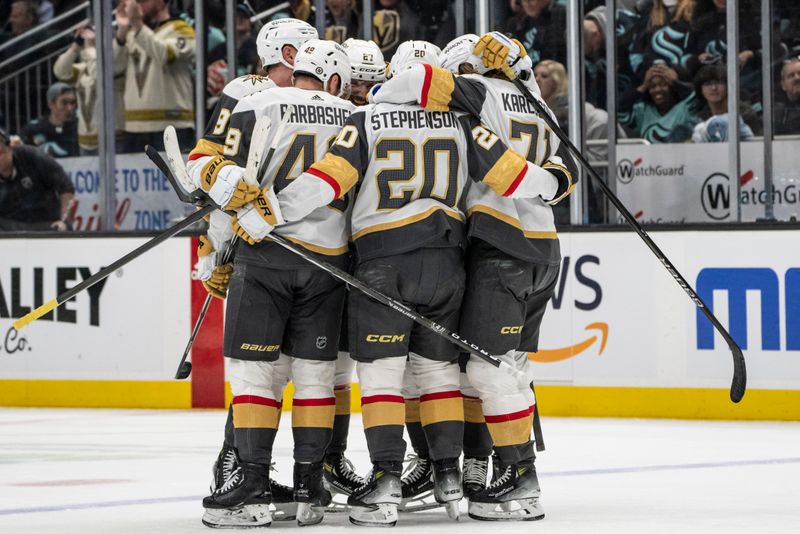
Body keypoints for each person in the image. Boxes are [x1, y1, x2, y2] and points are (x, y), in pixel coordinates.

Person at [262, 38, 568, 526]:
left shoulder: (386, 114)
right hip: (465, 260)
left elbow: (326, 181)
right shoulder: (482, 117)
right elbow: (515, 171)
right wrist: (550, 183)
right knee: (448, 373)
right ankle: (451, 472)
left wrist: (269, 211)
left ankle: (388, 480)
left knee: (390, 376)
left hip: (392, 259)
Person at [370, 31, 576, 521]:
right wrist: (543, 181)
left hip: (500, 247)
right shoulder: (538, 104)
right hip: (544, 251)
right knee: (504, 366)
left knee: (485, 369)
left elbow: (414, 80)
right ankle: (484, 468)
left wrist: (378, 98)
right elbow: (564, 177)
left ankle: (518, 477)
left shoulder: (477, 93)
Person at [196, 39, 355, 529]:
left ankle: (253, 491)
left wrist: (217, 253)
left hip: (265, 259)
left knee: (255, 379)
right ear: (333, 80)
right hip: (329, 265)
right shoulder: (353, 114)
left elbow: (217, 176)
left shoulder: (255, 102)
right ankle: (310, 490)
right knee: (314, 380)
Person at [187, 16, 318, 524]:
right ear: (283, 51)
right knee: (258, 371)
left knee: (293, 370)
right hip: (256, 252)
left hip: (309, 254)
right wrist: (217, 251)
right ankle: (236, 469)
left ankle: (274, 472)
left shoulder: (317, 103)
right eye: (304, 49)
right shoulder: (248, 91)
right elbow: (212, 170)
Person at [318, 37, 387, 506]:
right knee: (321, 369)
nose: (361, 92)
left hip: (370, 259)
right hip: (322, 257)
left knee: (363, 369)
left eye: (370, 83)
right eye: (355, 82)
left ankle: (337, 460)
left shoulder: (379, 122)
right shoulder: (323, 116)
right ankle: (322, 459)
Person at [113, 0, 196, 153]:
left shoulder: (182, 29)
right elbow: (113, 69)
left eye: (142, 1)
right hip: (133, 127)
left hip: (172, 125)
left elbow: (166, 54)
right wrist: (122, 31)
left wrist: (137, 24)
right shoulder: (132, 34)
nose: (136, 5)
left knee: (174, 177)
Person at [0, 127, 74, 231]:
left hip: (46, 224)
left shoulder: (31, 156)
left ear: (10, 148)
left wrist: (64, 221)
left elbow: (66, 187)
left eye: (0, 153)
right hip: (10, 229)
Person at [619, 63, 698, 143]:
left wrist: (675, 81)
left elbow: (697, 96)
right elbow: (619, 112)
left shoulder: (685, 106)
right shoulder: (642, 110)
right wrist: (644, 85)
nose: (657, 90)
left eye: (663, 85)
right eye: (652, 86)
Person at [690, 63, 760, 143]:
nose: (714, 88)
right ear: (700, 90)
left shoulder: (745, 114)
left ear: (728, 86)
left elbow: (756, 142)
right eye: (708, 84)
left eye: (718, 82)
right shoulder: (698, 118)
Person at [20, 82, 79, 158]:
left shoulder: (79, 127)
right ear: (51, 104)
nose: (69, 108)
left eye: (72, 103)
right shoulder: (34, 128)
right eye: (64, 103)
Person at [775, 58, 800, 135]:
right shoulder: (777, 113)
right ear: (783, 85)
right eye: (791, 75)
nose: (797, 78)